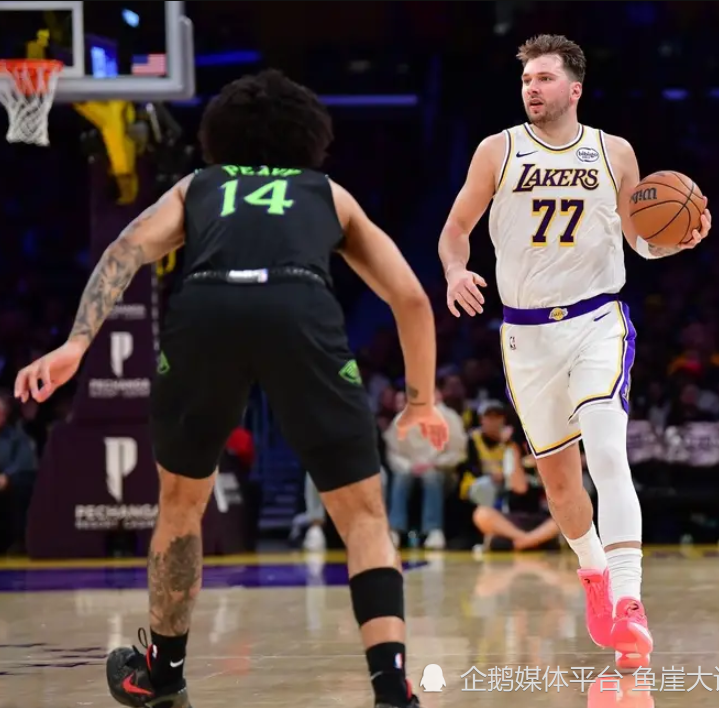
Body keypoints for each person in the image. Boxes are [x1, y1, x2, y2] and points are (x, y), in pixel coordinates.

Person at [15, 68, 449, 708]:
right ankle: (391, 689)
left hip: (208, 308)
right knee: (362, 517)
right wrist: (419, 401)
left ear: (221, 136)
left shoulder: (198, 186)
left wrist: (77, 344)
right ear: (307, 136)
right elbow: (410, 297)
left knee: (180, 506)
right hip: (300, 304)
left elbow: (126, 249)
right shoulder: (327, 193)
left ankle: (163, 676)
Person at [437, 34, 712, 669]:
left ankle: (629, 600)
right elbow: (455, 228)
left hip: (596, 321)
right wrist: (454, 270)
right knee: (561, 486)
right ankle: (594, 573)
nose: (531, 88)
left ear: (574, 89)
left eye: (543, 78)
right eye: (526, 80)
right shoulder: (497, 150)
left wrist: (677, 241)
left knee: (608, 452)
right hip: (525, 335)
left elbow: (641, 240)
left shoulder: (614, 152)